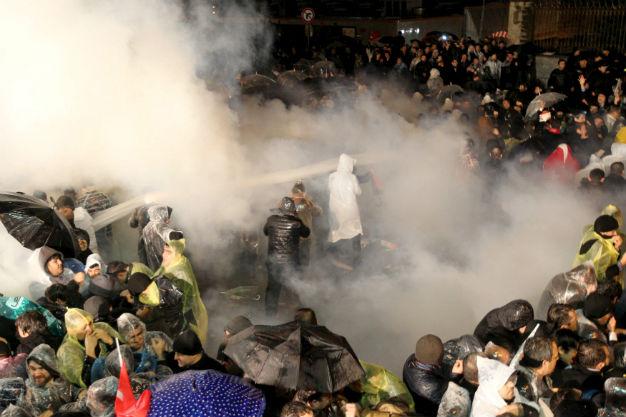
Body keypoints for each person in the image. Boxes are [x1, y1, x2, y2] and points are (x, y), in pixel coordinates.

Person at [153, 237, 208, 344]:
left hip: (185, 316)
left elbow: (178, 302)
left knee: (189, 344)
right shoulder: (179, 261)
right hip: (187, 313)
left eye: (168, 252)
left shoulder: (177, 272)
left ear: (177, 253)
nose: (164, 255)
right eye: (164, 250)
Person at [263, 197, 310, 317]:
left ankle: (270, 318)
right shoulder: (296, 222)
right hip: (291, 263)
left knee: (273, 291)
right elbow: (307, 233)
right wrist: (297, 217)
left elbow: (265, 232)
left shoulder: (271, 220)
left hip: (274, 263)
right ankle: (300, 318)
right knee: (294, 289)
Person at [57, 308, 119, 388]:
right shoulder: (67, 350)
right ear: (73, 332)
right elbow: (85, 383)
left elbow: (127, 352)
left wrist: (110, 341)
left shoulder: (102, 327)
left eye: (90, 323)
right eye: (84, 328)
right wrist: (90, 352)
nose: (90, 329)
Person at [14, 344, 80, 417]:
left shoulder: (62, 385)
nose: (37, 373)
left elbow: (82, 395)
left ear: (50, 367)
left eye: (41, 368)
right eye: (32, 369)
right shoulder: (27, 388)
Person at [125, 272, 186, 338]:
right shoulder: (143, 296)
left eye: (146, 290)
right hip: (170, 316)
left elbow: (183, 302)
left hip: (181, 312)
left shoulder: (168, 287)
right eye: (142, 295)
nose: (145, 294)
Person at [328, 154, 363, 269]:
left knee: (338, 233)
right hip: (350, 210)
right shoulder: (352, 177)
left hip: (336, 210)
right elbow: (358, 192)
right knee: (355, 233)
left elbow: (329, 189)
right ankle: (357, 262)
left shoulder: (332, 176)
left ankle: (337, 260)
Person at [402, 334, 447, 416]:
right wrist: (455, 376)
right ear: (438, 362)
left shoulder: (411, 359)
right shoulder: (430, 388)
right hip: (428, 410)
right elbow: (449, 402)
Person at [116, 313, 172, 378]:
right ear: (124, 338)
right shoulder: (123, 354)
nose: (137, 339)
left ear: (143, 328)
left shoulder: (157, 337)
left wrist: (161, 354)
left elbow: (176, 363)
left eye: (139, 333)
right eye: (132, 337)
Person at [573, 215, 625, 282]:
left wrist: (616, 247)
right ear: (603, 232)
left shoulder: (592, 231)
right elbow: (601, 276)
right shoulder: (599, 247)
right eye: (612, 231)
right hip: (586, 282)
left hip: (577, 271)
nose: (616, 233)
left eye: (615, 230)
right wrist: (621, 263)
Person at [515, 336, 559, 402]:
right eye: (555, 357)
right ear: (545, 363)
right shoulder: (526, 387)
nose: (558, 358)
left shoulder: (543, 378)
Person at [291, 181, 322, 266]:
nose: (297, 196)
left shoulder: (307, 203)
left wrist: (309, 202)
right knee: (295, 262)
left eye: (299, 193)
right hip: (293, 238)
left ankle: (300, 277)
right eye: (296, 193)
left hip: (304, 237)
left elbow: (318, 212)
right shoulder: (290, 203)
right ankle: (295, 277)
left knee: (303, 261)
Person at [141, 205, 180, 271]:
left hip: (156, 260)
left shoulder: (147, 227)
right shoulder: (158, 225)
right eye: (167, 216)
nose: (168, 218)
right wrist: (176, 234)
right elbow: (166, 233)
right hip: (166, 258)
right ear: (161, 214)